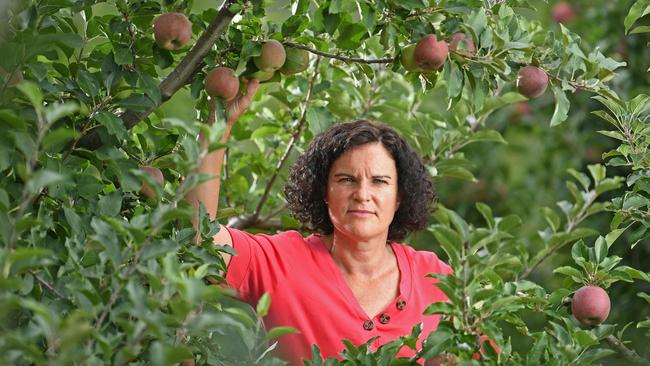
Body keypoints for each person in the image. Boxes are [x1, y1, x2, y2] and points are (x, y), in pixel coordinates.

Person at [186, 79, 452, 365]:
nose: (363, 194)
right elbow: (201, 241)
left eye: (379, 182)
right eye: (346, 179)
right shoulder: (282, 261)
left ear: (399, 196)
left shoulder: (435, 277)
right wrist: (218, 126)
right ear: (324, 192)